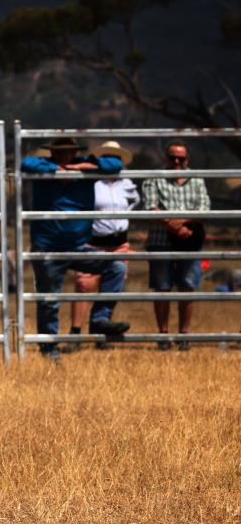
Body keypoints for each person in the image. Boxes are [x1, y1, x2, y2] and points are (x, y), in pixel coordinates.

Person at [21, 137, 130, 360]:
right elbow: (26, 163)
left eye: (68, 152)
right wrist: (57, 169)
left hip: (79, 246)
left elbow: (115, 165)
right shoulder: (44, 169)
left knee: (116, 267)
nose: (64, 155)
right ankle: (49, 347)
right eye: (59, 152)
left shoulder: (86, 169)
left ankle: (100, 319)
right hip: (48, 248)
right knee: (49, 300)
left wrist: (81, 167)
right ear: (52, 153)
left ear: (74, 153)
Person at [142, 140, 210, 351]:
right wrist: (179, 224)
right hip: (161, 241)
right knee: (162, 288)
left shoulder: (197, 179)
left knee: (187, 286)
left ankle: (183, 335)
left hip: (189, 241)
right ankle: (163, 335)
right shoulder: (154, 178)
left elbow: (205, 207)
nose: (177, 162)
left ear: (187, 159)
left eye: (181, 158)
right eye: (173, 157)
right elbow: (150, 207)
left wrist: (178, 224)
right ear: (166, 158)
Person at [69, 141, 139, 345]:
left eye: (115, 159)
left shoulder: (127, 183)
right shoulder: (92, 182)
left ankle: (101, 328)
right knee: (83, 284)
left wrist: (121, 220)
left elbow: (135, 201)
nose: (111, 162)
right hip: (93, 241)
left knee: (112, 285)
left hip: (119, 241)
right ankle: (75, 332)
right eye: (107, 158)